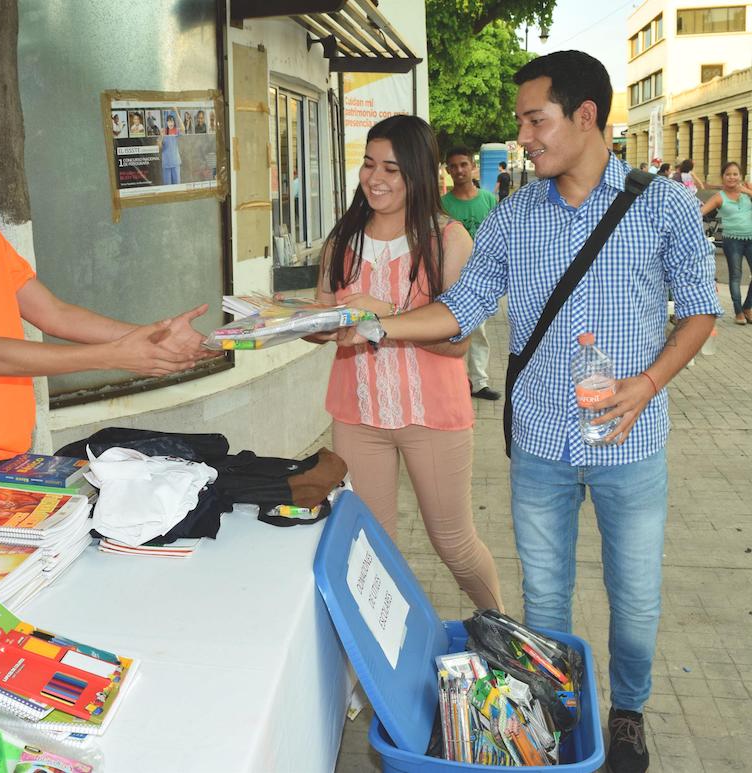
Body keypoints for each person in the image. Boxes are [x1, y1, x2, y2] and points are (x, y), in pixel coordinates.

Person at [337, 51, 719, 773]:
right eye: (521, 121)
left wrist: (649, 382)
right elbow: (461, 308)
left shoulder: (661, 203)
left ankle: (629, 710)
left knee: (634, 595)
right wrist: (379, 323)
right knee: (545, 598)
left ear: (585, 117)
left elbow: (701, 313)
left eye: (534, 119)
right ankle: (550, 717)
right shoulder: (515, 214)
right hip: (541, 440)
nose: (524, 135)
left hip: (630, 443)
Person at [0, 85, 210, 546]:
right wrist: (116, 356)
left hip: (8, 460)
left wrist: (151, 337)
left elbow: (54, 314)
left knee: (16, 604)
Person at [308, 115, 504, 613]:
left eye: (391, 169)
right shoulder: (342, 241)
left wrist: (385, 318)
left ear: (417, 174)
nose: (375, 178)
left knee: (453, 544)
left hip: (432, 417)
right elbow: (321, 323)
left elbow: (456, 345)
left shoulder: (449, 239)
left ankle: (503, 631)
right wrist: (305, 324)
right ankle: (384, 669)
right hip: (358, 417)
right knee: (373, 549)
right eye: (369, 164)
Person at [442, 147, 500, 401]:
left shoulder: (488, 200)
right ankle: (453, 382)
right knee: (450, 333)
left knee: (479, 332)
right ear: (447, 171)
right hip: (450, 279)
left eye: (463, 164)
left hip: (481, 280)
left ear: (472, 166)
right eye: (453, 166)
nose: (459, 170)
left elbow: (499, 239)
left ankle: (479, 383)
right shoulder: (443, 204)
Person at [701, 161, 752, 324]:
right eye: (728, 174)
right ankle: (738, 312)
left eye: (735, 174)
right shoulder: (719, 197)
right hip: (732, 241)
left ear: (740, 176)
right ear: (723, 177)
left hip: (751, 238)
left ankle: (747, 307)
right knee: (736, 276)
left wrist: (747, 192)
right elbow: (700, 212)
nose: (732, 177)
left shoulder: (748, 192)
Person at [159, 113, 182, 185]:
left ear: (174, 122)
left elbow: (183, 128)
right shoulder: (163, 132)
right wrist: (162, 136)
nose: (170, 123)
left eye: (172, 121)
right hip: (166, 163)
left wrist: (176, 112)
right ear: (166, 122)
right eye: (169, 121)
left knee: (177, 185)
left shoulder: (175, 131)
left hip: (175, 162)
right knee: (167, 186)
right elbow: (159, 147)